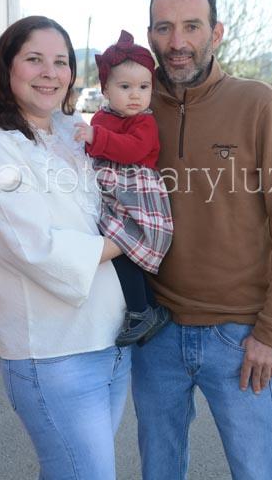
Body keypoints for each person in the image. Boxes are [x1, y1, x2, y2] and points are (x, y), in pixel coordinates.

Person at [131, 0, 272, 480]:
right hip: (156, 332)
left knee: (257, 472)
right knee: (158, 471)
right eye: (164, 28)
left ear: (216, 33)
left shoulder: (259, 104)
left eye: (192, 26)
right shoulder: (134, 107)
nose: (177, 42)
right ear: (149, 35)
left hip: (239, 336)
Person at [0, 15, 131, 480]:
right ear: (7, 67)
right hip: (56, 354)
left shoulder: (71, 134)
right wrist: (132, 237)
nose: (50, 73)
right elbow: (39, 249)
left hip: (111, 342)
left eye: (61, 62)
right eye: (34, 59)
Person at [74, 30, 173, 346]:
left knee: (122, 247)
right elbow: (94, 153)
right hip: (112, 191)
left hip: (137, 192)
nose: (135, 95)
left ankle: (141, 310)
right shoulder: (101, 118)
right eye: (125, 87)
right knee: (122, 250)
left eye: (144, 87)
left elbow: (131, 150)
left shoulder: (144, 121)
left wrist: (96, 138)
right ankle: (149, 309)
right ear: (105, 88)